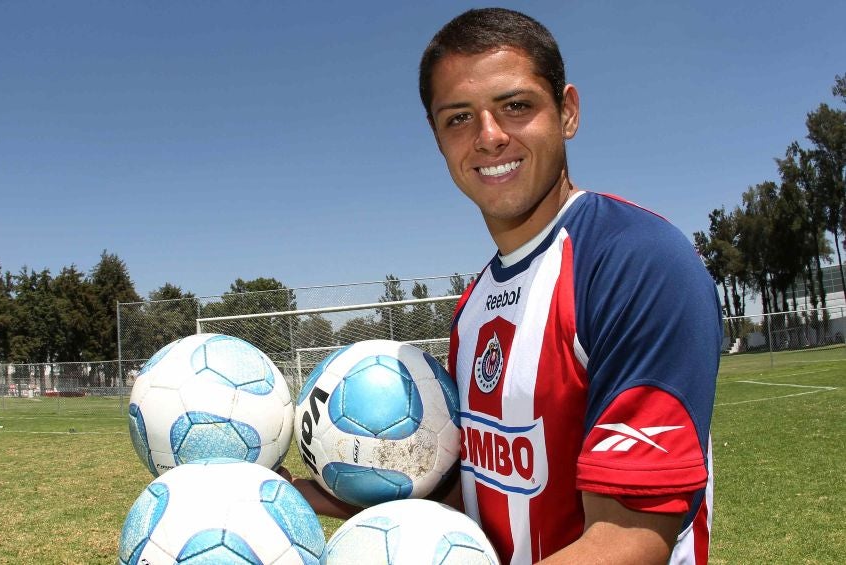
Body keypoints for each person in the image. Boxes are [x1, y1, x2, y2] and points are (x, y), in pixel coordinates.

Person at [286, 8, 721, 565]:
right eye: (459, 118)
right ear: (439, 139)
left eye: (516, 106)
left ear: (567, 112)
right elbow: (487, 495)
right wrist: (340, 500)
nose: (489, 137)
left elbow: (628, 543)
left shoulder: (635, 263)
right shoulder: (474, 307)